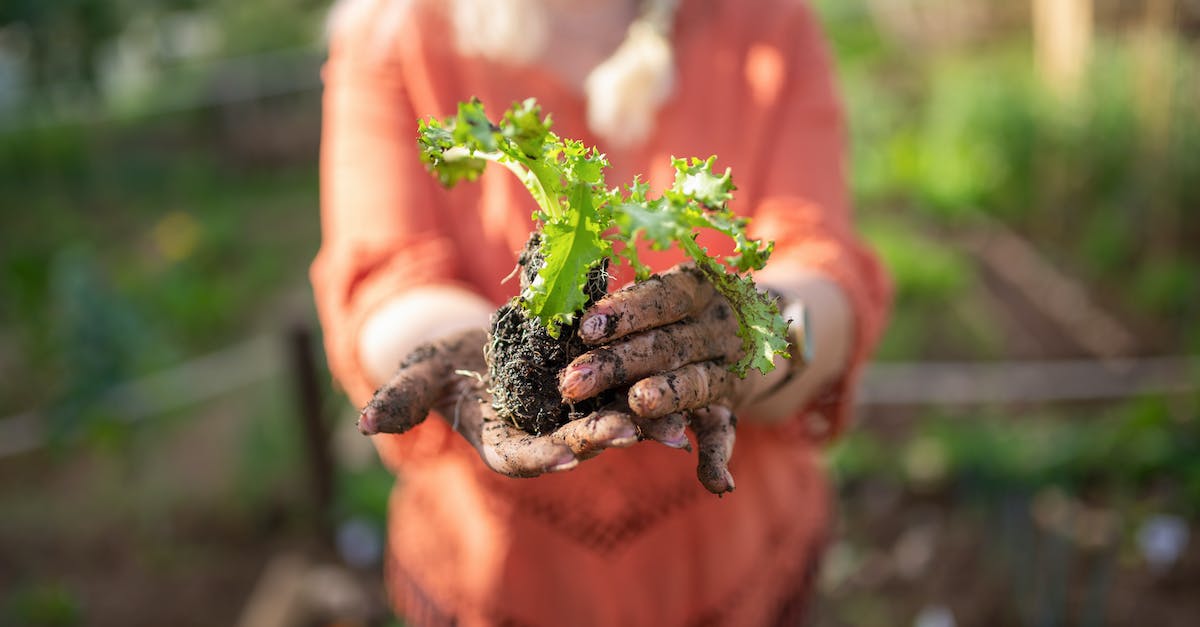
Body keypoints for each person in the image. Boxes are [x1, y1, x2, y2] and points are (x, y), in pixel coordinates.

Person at [311, 0, 891, 624]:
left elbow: (818, 271)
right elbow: (388, 279)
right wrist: (465, 351)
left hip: (740, 566)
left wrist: (753, 339)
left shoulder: (769, 26)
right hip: (494, 577)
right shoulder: (394, 33)